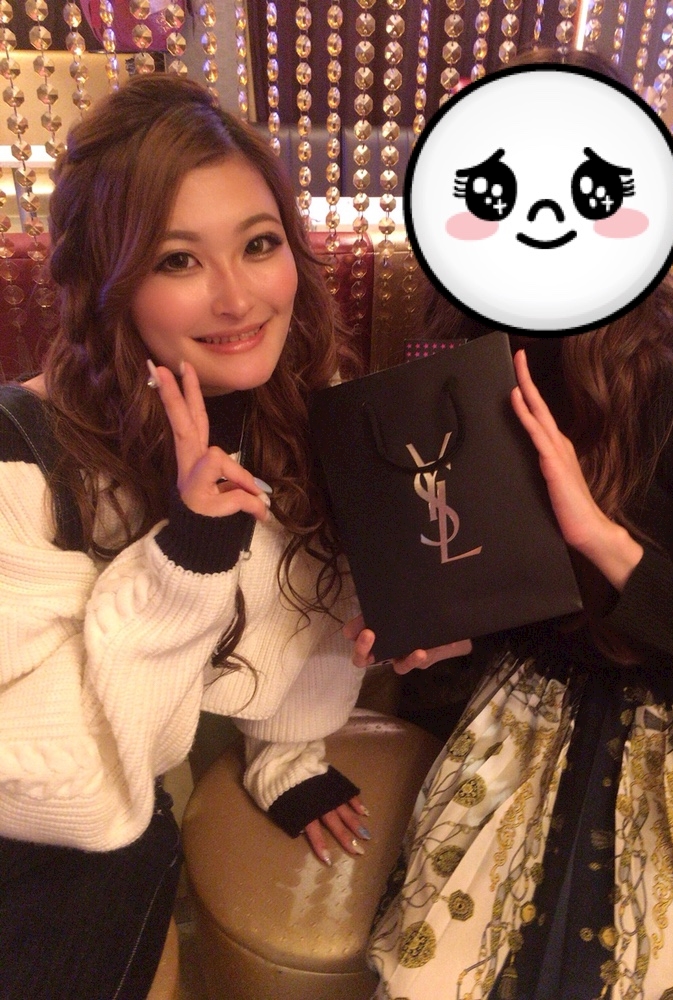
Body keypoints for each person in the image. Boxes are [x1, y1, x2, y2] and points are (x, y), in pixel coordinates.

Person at [356, 49, 673, 1000]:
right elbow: (497, 613)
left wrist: (602, 538)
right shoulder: (458, 375)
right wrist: (438, 636)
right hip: (526, 713)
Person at [0, 72, 373, 1000]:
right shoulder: (22, 459)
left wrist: (396, 615)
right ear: (108, 283)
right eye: (178, 260)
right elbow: (82, 794)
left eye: (259, 244)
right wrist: (187, 556)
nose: (238, 299)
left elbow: (295, 610)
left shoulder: (308, 412)